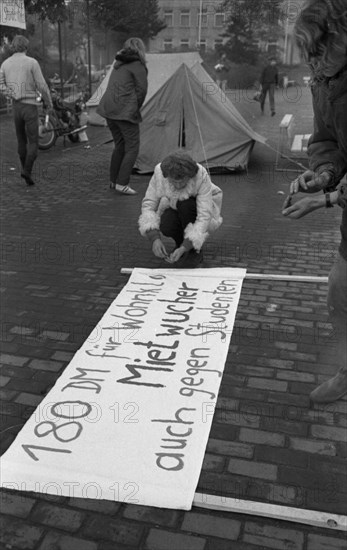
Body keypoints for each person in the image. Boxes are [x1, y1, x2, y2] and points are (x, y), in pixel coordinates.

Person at [282, 0, 347, 403]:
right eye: (307, 51)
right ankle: (346, 372)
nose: (312, 61)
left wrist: (326, 199)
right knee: (339, 294)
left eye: (320, 48)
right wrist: (323, 173)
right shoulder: (324, 82)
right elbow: (327, 140)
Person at [138, 151, 223, 268]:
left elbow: (204, 215)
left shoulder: (201, 175)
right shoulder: (159, 172)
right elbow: (149, 205)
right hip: (173, 204)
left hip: (196, 206)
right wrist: (154, 239)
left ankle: (193, 249)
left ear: (190, 176)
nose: (178, 186)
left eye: (182, 181)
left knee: (186, 205)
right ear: (167, 177)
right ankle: (180, 244)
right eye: (173, 181)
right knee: (167, 223)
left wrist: (187, 245)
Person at [96, 37, 148, 195]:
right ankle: (122, 183)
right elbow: (142, 90)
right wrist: (134, 107)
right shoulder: (138, 65)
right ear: (141, 49)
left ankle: (113, 181)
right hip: (124, 110)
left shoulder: (118, 64)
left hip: (109, 109)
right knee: (132, 147)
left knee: (119, 146)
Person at [0, 35, 53, 186]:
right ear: (26, 47)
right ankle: (27, 170)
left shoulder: (5, 64)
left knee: (21, 140)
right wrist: (49, 103)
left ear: (13, 47)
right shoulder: (32, 63)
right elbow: (42, 85)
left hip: (16, 107)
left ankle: (24, 168)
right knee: (34, 141)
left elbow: (0, 84)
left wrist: (10, 93)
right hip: (30, 106)